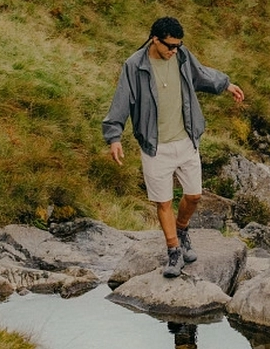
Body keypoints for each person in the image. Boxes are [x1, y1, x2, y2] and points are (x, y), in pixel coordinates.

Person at [104, 16, 244, 277]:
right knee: (164, 201)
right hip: (155, 147)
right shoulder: (135, 66)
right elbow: (121, 100)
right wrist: (114, 137)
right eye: (170, 46)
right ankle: (174, 251)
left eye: (178, 45)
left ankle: (182, 229)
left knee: (194, 196)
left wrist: (226, 84)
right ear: (155, 39)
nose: (174, 50)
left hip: (186, 140)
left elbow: (201, 74)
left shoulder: (181, 56)